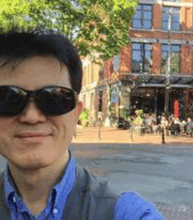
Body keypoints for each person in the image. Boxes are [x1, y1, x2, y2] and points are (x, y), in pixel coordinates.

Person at [0, 28, 163, 219]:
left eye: (54, 98)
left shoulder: (127, 213)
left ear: (76, 113)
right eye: (8, 98)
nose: (31, 116)